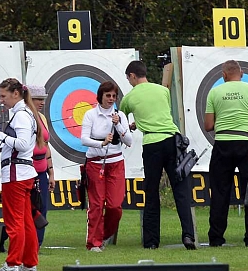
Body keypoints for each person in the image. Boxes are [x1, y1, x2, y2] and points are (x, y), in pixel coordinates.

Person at [120, 60, 196, 250]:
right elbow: (160, 114)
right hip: (173, 141)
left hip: (152, 143)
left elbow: (120, 120)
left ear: (132, 76)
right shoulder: (163, 91)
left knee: (151, 193)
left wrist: (135, 123)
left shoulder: (128, 98)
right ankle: (188, 235)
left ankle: (151, 241)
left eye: (128, 78)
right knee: (180, 190)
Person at [204, 60, 248, 247]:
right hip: (247, 144)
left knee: (220, 193)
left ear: (224, 75)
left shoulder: (214, 92)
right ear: (241, 74)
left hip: (223, 144)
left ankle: (216, 238)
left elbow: (209, 125)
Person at [0, 78, 42, 271]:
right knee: (26, 221)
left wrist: (0, 136)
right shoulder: (26, 113)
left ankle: (12, 264)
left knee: (14, 221)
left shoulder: (20, 115)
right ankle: (29, 264)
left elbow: (22, 144)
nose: (1, 100)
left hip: (16, 174)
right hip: (24, 173)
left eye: (3, 96)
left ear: (16, 94)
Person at [80, 81, 133, 252]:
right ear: (100, 96)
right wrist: (101, 143)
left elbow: (129, 141)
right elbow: (84, 139)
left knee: (115, 206)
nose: (111, 99)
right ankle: (93, 242)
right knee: (96, 204)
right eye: (108, 95)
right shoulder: (90, 114)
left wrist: (117, 124)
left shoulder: (120, 115)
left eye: (114, 96)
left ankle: (103, 235)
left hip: (116, 162)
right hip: (95, 163)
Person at [29, 85, 55, 249]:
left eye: (43, 99)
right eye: (38, 99)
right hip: (26, 171)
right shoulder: (23, 118)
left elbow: (45, 146)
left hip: (41, 171)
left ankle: (37, 244)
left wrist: (51, 172)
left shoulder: (42, 118)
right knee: (26, 209)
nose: (42, 103)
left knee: (42, 208)